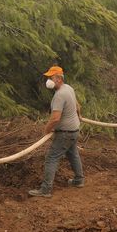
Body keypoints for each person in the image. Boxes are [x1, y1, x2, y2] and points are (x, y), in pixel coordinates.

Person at [29, 66, 84, 198]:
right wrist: (79, 116)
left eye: (51, 77)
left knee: (51, 158)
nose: (49, 80)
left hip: (65, 133)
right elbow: (77, 106)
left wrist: (46, 130)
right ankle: (79, 180)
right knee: (73, 154)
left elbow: (55, 118)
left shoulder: (60, 95)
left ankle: (45, 190)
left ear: (59, 79)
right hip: (74, 130)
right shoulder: (68, 88)